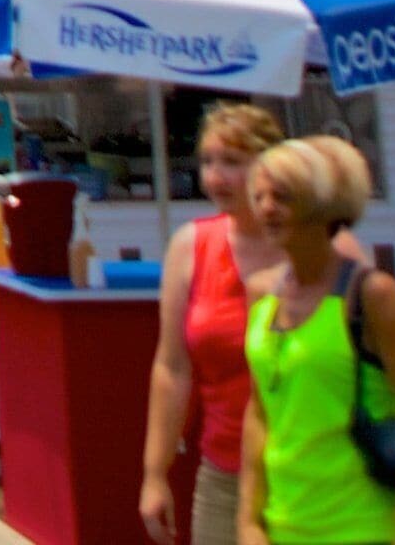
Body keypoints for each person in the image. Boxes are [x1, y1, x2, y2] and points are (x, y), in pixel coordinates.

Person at [236, 136, 395, 545]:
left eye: (282, 196)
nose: (266, 208)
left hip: (366, 524)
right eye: (258, 196)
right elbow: (260, 412)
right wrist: (248, 520)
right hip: (283, 525)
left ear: (322, 201)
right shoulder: (261, 295)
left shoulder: (372, 294)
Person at [142, 103, 289, 545]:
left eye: (232, 162)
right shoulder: (191, 245)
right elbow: (172, 368)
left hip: (310, 469)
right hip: (225, 470)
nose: (215, 177)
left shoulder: (314, 245)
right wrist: (155, 473)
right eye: (207, 162)